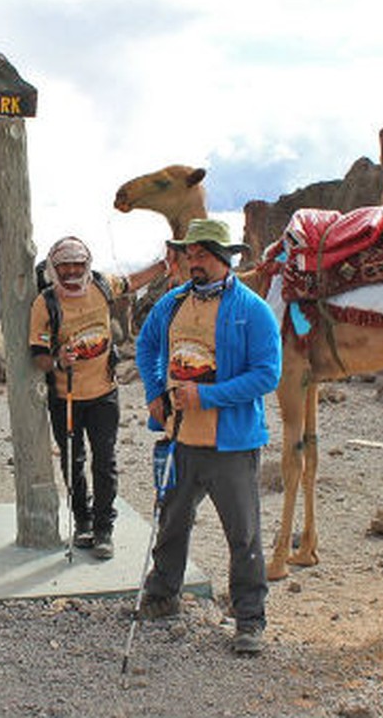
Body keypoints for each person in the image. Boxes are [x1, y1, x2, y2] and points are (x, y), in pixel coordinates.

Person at [134, 218, 282, 656]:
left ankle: (249, 619)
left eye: (201, 255)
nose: (192, 262)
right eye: (189, 255)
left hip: (231, 444)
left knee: (244, 534)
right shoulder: (173, 303)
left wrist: (208, 395)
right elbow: (146, 346)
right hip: (180, 437)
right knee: (172, 521)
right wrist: (154, 391)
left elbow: (267, 374)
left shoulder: (252, 310)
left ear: (224, 258)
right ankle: (162, 597)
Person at [29, 237, 167, 559]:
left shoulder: (102, 285)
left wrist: (164, 266)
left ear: (87, 263)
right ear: (54, 267)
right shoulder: (45, 303)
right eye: (65, 266)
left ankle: (104, 529)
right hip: (66, 396)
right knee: (72, 462)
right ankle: (83, 523)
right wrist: (58, 360)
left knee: (105, 462)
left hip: (104, 391)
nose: (73, 271)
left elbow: (132, 282)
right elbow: (37, 355)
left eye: (78, 264)